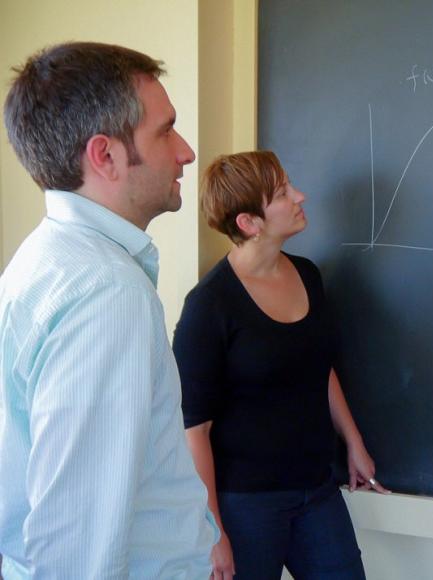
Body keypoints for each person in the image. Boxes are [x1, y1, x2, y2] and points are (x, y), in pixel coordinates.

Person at [0, 42, 217, 578]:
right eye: (165, 131)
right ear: (106, 156)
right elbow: (77, 548)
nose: (186, 151)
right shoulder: (104, 294)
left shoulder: (46, 259)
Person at [173, 150, 388, 579]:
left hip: (316, 489)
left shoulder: (308, 275)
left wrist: (354, 440)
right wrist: (213, 529)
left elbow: (316, 365)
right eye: (283, 193)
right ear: (249, 223)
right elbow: (194, 428)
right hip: (246, 505)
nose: (300, 196)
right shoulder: (210, 306)